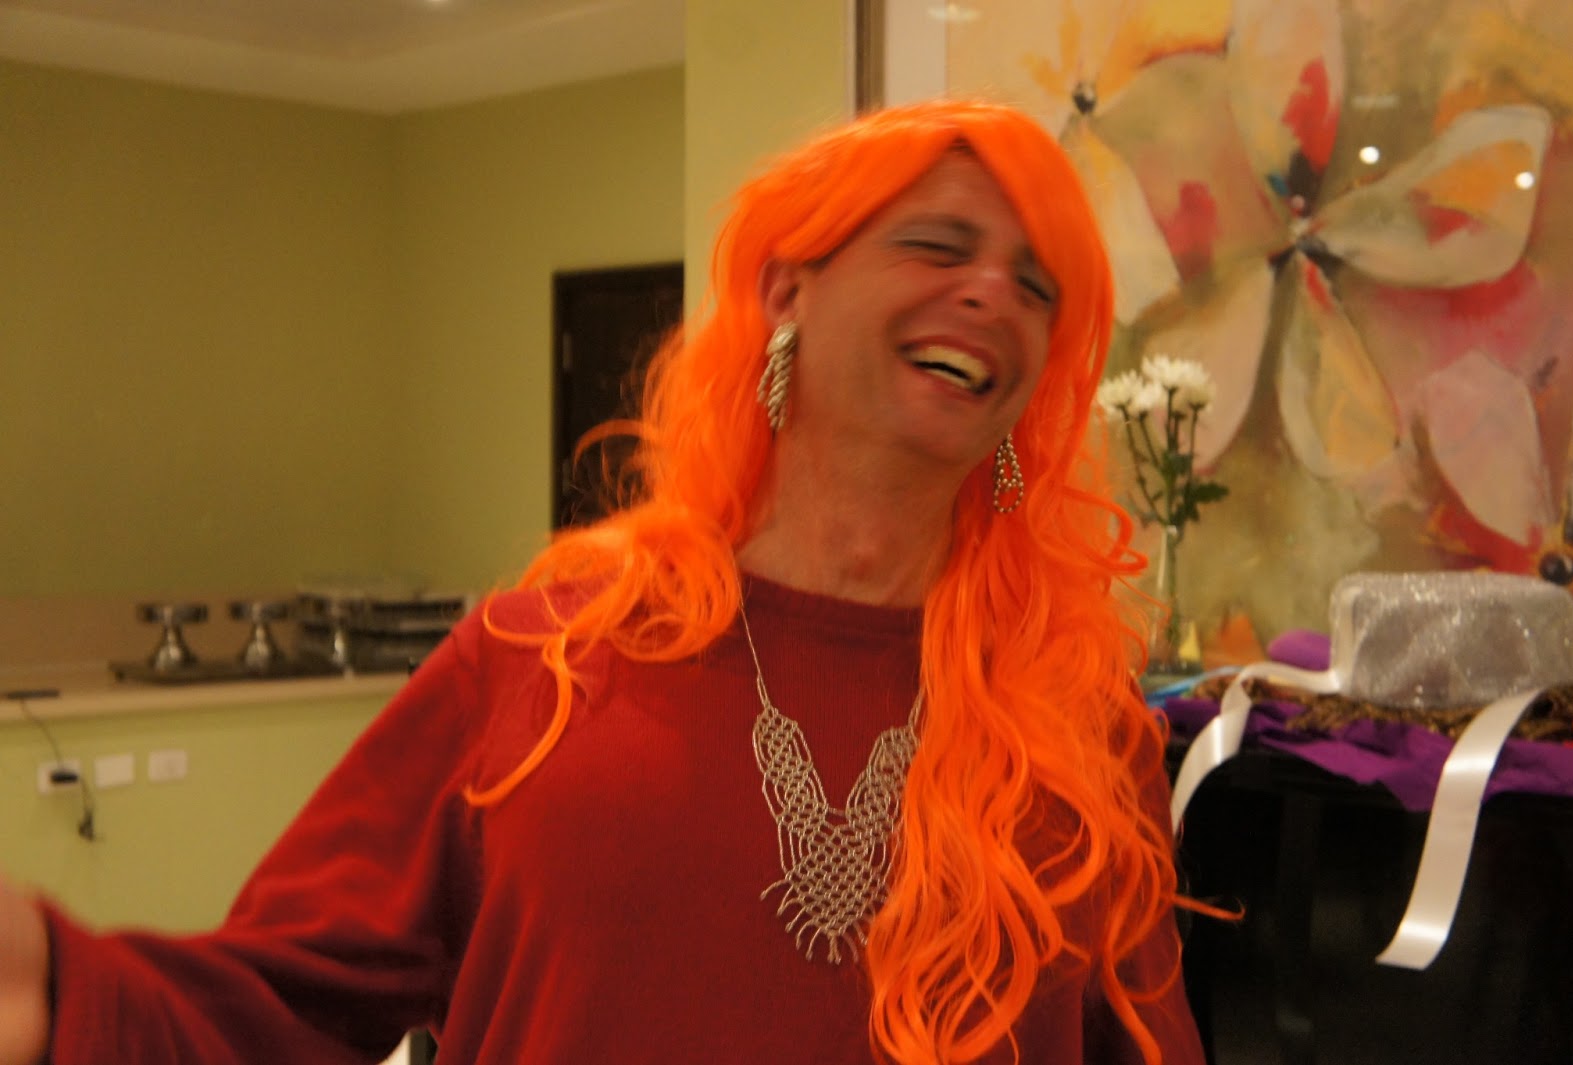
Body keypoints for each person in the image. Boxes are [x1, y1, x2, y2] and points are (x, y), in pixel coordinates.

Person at [0, 99, 1204, 1065]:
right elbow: (285, 1001)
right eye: (936, 246)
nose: (990, 293)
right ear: (788, 291)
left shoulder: (1080, 729)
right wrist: (53, 988)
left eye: (1036, 284)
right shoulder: (543, 661)